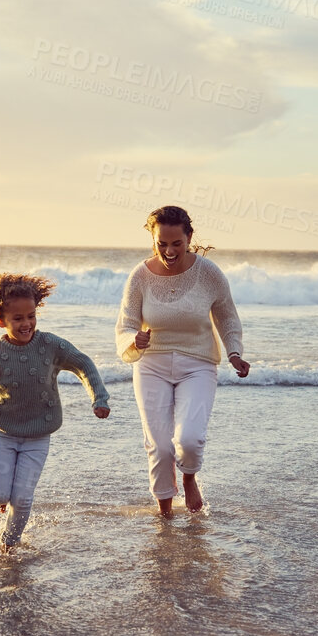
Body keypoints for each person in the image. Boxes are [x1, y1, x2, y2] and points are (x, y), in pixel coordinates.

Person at [0, 274, 110, 549]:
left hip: (38, 437)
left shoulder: (50, 345)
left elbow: (83, 363)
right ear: (1, 320)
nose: (26, 324)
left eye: (31, 316)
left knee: (23, 498)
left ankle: (7, 545)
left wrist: (99, 397)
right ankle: (1, 501)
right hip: (3, 435)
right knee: (1, 494)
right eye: (18, 319)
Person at [115, 206, 249, 516]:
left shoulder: (208, 273)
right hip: (152, 364)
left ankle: (189, 477)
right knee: (160, 446)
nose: (169, 250)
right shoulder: (140, 275)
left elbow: (227, 316)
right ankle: (164, 512)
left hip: (197, 363)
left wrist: (234, 352)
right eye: (162, 243)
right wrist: (134, 341)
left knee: (189, 438)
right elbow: (126, 324)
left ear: (188, 237)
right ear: (153, 238)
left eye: (176, 243)